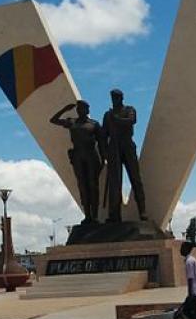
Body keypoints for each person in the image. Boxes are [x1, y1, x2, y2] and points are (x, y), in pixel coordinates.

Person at [50, 100, 104, 223]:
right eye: (79, 109)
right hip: (78, 155)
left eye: (83, 108)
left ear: (87, 110)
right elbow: (53, 120)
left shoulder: (94, 124)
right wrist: (64, 109)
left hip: (91, 155)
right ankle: (88, 215)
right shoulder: (72, 122)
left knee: (93, 185)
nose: (81, 111)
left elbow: (101, 143)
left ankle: (95, 216)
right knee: (82, 185)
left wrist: (103, 159)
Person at [102, 88, 147, 223]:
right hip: (113, 148)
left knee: (136, 179)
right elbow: (104, 134)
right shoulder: (107, 115)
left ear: (121, 98)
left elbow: (131, 121)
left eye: (116, 97)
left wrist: (116, 119)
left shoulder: (129, 110)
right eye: (112, 98)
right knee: (115, 183)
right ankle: (114, 215)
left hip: (127, 145)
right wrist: (104, 152)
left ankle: (143, 211)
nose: (114, 100)